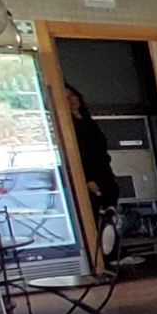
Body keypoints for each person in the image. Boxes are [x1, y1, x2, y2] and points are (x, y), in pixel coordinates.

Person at [64, 85, 119, 218]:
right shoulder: (70, 126)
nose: (71, 100)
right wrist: (87, 179)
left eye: (72, 95)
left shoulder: (87, 121)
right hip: (90, 174)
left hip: (104, 170)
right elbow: (79, 153)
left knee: (110, 207)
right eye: (66, 98)